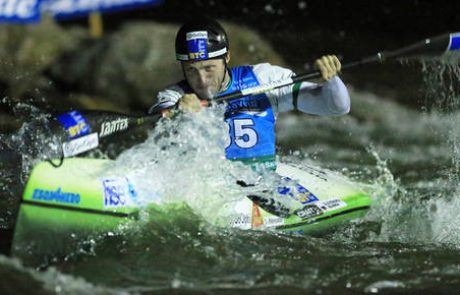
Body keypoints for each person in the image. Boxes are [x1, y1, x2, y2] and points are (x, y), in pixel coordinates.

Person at [148, 19, 350, 216]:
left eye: (209, 68)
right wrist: (178, 112)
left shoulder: (263, 79)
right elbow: (159, 126)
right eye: (191, 70)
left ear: (226, 57)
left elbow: (336, 107)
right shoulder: (174, 96)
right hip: (207, 191)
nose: (202, 80)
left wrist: (332, 80)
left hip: (262, 181)